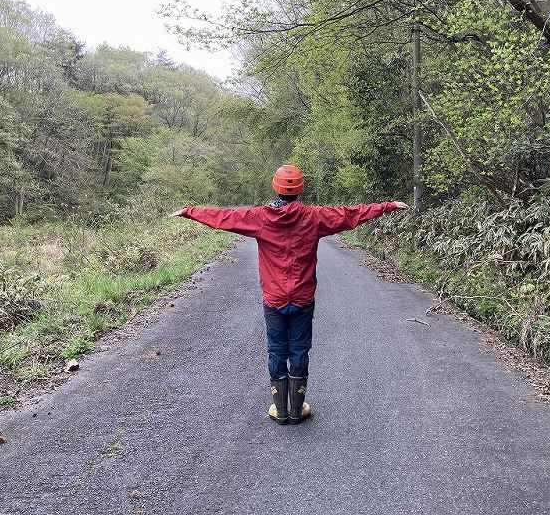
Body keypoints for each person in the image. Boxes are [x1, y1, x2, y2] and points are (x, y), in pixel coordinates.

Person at [170, 164, 408, 424]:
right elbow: (350, 215)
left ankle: (280, 411)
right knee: (299, 351)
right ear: (300, 188)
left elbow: (225, 218)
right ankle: (297, 411)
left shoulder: (261, 217)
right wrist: (387, 206)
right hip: (303, 299)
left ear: (275, 186)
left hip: (274, 300)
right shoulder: (314, 217)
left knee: (276, 351)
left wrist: (190, 212)